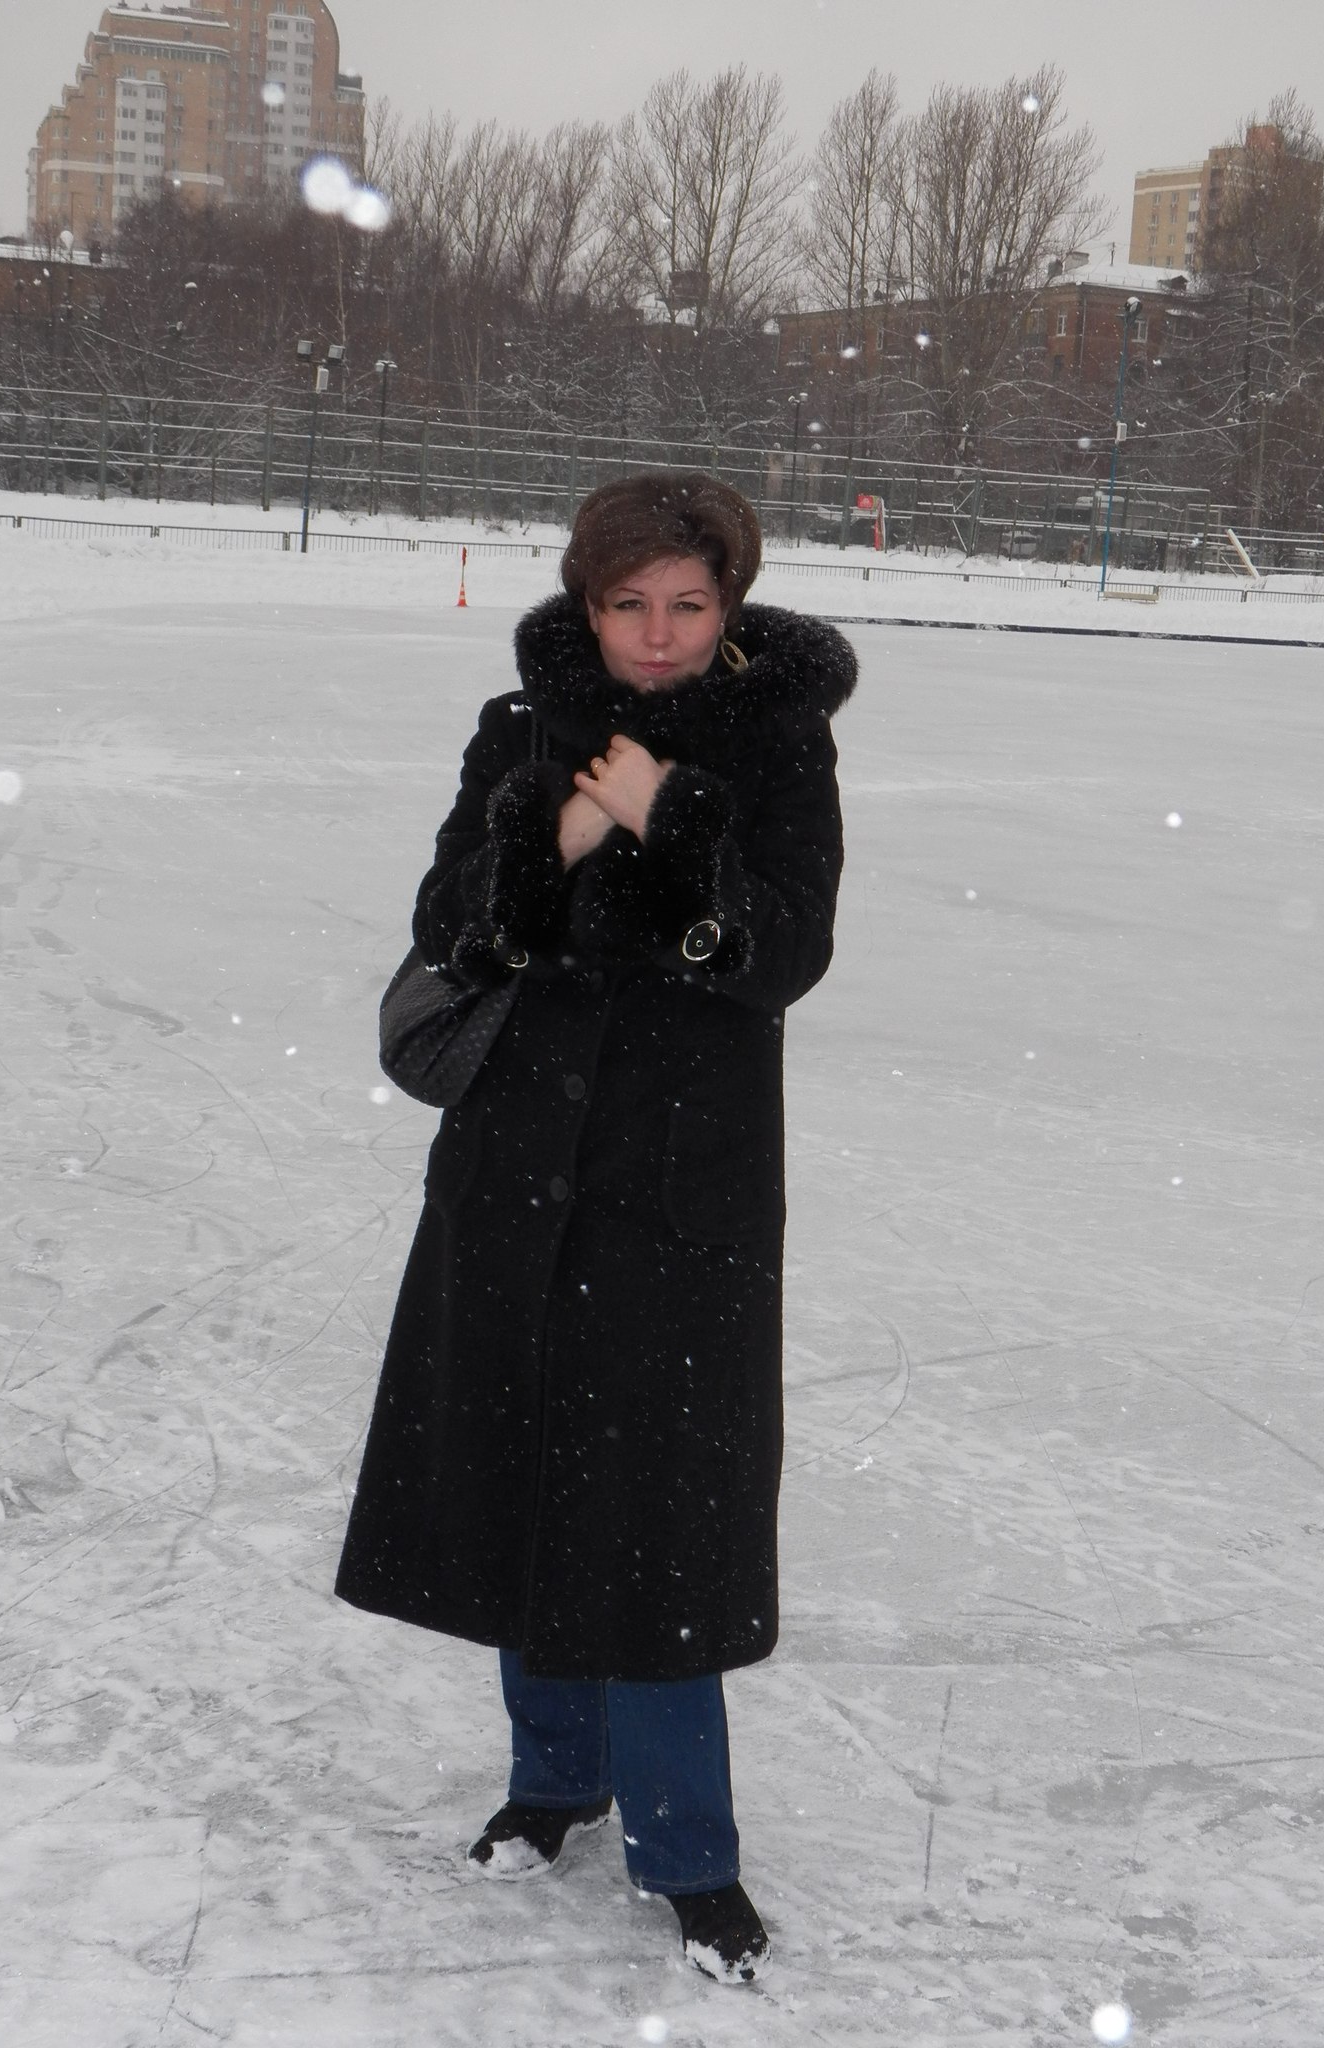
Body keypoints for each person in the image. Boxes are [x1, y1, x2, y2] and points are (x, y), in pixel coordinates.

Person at [335, 471, 856, 1983]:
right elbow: (449, 925)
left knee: (658, 1521)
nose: (658, 634)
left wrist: (675, 818)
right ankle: (555, 1779)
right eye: (629, 603)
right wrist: (564, 828)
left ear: (729, 605)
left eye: (689, 603)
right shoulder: (520, 730)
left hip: (681, 1188)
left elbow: (786, 952)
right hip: (517, 1170)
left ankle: (691, 1856)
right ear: (587, 600)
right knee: (522, 1475)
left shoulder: (777, 743)